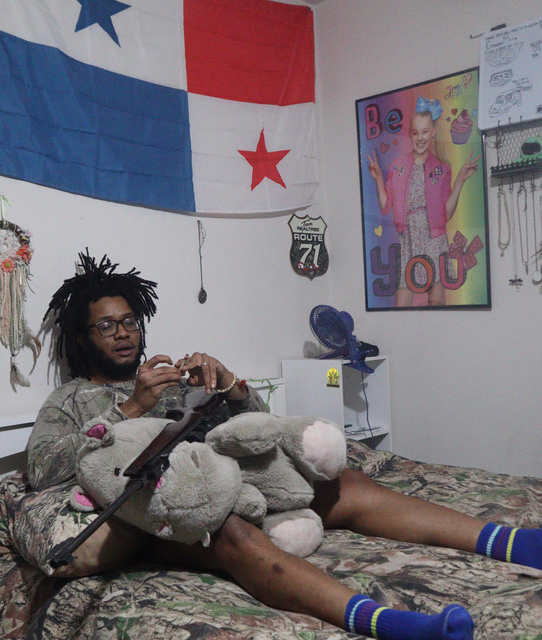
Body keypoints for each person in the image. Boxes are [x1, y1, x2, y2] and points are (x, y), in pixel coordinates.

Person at [27, 250, 540, 640]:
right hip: (168, 510)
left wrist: (230, 386)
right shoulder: (71, 399)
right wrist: (133, 407)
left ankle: (516, 544)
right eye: (106, 326)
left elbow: (261, 430)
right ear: (83, 337)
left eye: (129, 321)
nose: (123, 333)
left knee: (344, 482)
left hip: (237, 479)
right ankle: (389, 624)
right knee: (230, 532)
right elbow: (42, 469)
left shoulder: (169, 378)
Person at [367, 97, 481, 307]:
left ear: (433, 132)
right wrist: (378, 179)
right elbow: (385, 206)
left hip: (433, 238)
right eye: (415, 133)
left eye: (425, 132)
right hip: (407, 239)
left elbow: (446, 214)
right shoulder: (398, 165)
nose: (420, 138)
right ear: (410, 134)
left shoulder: (442, 167)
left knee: (436, 302)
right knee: (401, 305)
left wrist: (460, 180)